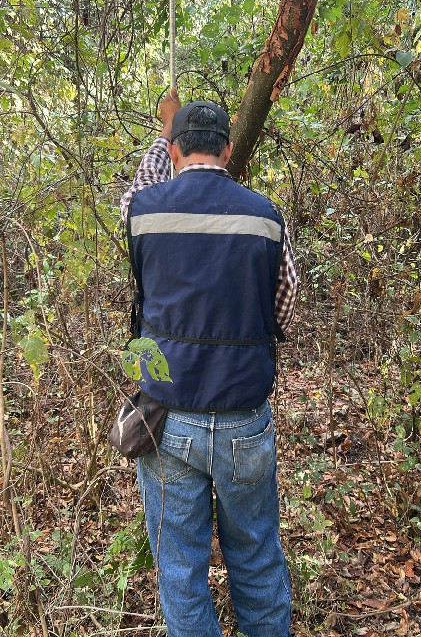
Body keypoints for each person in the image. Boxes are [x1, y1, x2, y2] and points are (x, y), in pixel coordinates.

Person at [120, 89, 298, 637]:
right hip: (245, 416)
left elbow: (137, 193)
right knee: (258, 562)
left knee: (180, 573)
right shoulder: (265, 217)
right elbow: (287, 303)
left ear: (174, 151)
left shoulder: (144, 211)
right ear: (226, 150)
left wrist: (163, 130)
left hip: (168, 420)